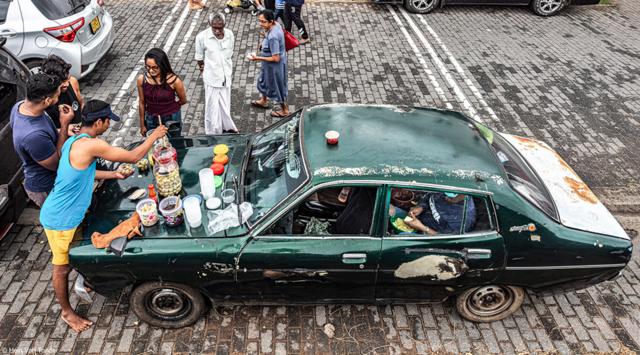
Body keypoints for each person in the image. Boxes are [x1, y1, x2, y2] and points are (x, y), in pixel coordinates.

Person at [40, 99, 168, 333]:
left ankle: (87, 280)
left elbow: (83, 171)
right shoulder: (91, 145)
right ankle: (67, 312)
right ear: (98, 122)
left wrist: (113, 175)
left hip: (72, 213)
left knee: (79, 252)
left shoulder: (76, 141)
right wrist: (154, 135)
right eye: (107, 121)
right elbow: (132, 156)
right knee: (61, 268)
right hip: (61, 219)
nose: (109, 125)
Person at [10, 73, 74, 207]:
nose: (59, 98)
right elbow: (58, 164)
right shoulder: (33, 136)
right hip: (47, 187)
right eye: (57, 96)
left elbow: (44, 131)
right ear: (46, 101)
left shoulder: (21, 105)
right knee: (63, 222)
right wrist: (64, 125)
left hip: (50, 178)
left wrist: (61, 130)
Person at [195, 13, 238, 134]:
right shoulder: (201, 37)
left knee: (225, 105)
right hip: (211, 78)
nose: (218, 31)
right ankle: (213, 131)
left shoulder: (229, 34)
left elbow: (230, 52)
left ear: (224, 25)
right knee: (212, 107)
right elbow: (199, 58)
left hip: (226, 77)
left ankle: (226, 127)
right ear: (209, 25)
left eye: (220, 27)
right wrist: (205, 70)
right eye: (215, 28)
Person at [137, 48, 187, 138]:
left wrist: (169, 107)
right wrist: (142, 125)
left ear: (162, 65)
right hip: (151, 119)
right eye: (148, 67)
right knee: (155, 145)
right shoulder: (141, 80)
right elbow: (142, 102)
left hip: (172, 119)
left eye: (154, 67)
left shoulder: (175, 81)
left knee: (174, 143)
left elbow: (183, 100)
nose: (151, 71)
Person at [249, 10, 289, 117]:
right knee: (263, 80)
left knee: (278, 86)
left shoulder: (273, 37)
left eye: (263, 22)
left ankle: (284, 110)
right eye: (260, 21)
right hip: (268, 65)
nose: (261, 24)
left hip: (274, 67)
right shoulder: (276, 25)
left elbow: (276, 58)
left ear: (271, 21)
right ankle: (263, 100)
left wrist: (258, 58)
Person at [400, 192, 476, 235]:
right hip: (417, 218)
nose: (446, 198)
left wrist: (422, 228)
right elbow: (429, 196)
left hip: (426, 235)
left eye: (451, 198)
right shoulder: (445, 189)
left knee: (401, 236)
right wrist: (420, 207)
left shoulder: (463, 220)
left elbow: (446, 240)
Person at [42, 55, 84, 129]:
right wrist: (66, 129)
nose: (66, 84)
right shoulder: (45, 100)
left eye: (67, 79)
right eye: (62, 82)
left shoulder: (73, 81)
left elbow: (81, 104)